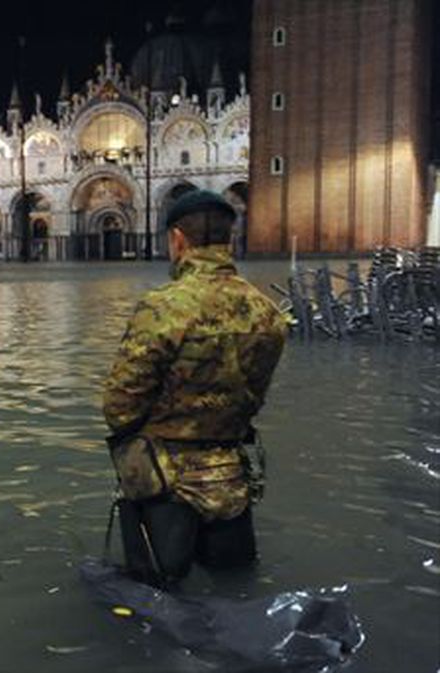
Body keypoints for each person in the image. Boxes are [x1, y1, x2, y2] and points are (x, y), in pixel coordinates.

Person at [102, 189, 288, 588]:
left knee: (155, 597)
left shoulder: (163, 307)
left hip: (165, 484)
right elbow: (254, 397)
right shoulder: (266, 312)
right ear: (230, 240)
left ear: (178, 240)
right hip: (233, 480)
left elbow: (119, 405)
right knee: (234, 589)